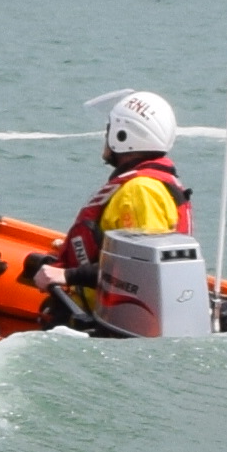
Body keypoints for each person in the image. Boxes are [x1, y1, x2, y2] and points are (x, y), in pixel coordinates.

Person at [33, 89, 192, 310]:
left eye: (110, 128)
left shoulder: (141, 191)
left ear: (122, 135)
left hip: (105, 319)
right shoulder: (146, 184)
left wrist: (69, 275)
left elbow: (139, 270)